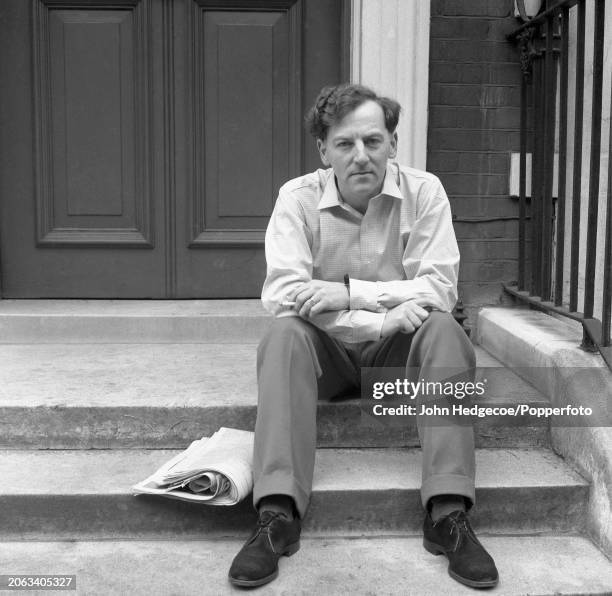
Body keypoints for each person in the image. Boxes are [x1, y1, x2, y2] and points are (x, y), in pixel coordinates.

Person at [228, 83, 499, 590]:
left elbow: (439, 289)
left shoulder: (425, 192)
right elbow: (286, 294)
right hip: (325, 359)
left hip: (397, 364)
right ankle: (276, 515)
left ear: (393, 144)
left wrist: (347, 291)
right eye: (346, 144)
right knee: (285, 333)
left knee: (443, 330)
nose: (361, 156)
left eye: (374, 141)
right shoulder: (298, 198)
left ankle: (448, 513)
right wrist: (380, 315)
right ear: (323, 150)